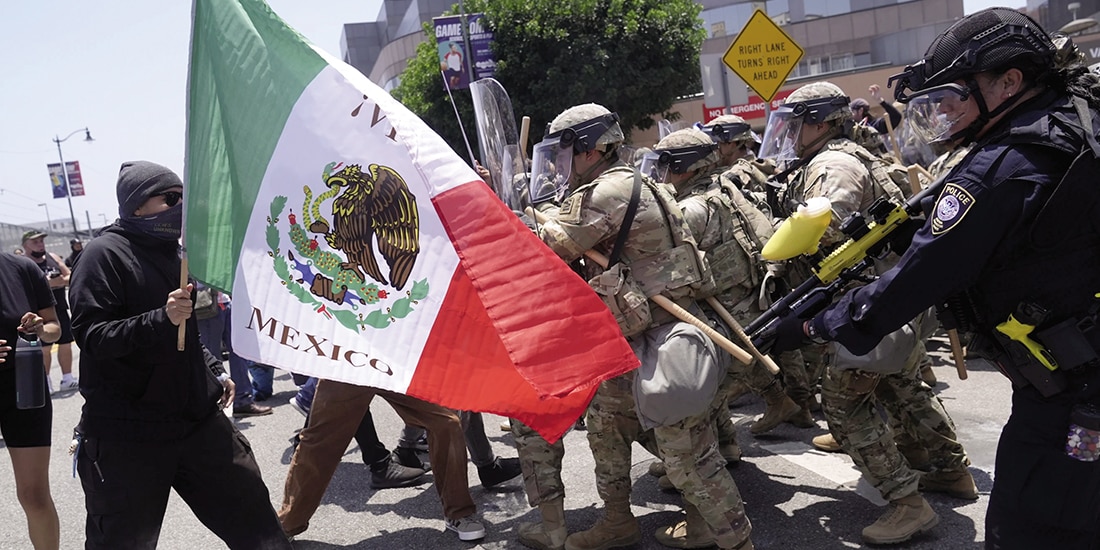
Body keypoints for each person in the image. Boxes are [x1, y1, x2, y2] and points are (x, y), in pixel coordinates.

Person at [771, 8, 1100, 548]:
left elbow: (915, 281)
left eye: (953, 96)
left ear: (1009, 81)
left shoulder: (1003, 166)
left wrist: (813, 326)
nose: (943, 111)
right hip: (1080, 372)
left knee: (1033, 525)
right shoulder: (1075, 124)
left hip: (1072, 398)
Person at [760, 81, 975, 545]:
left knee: (843, 406)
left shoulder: (833, 165)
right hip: (890, 299)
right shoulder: (848, 156)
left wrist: (776, 240)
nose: (791, 135)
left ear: (821, 123)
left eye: (797, 125)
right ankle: (950, 470)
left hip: (866, 305)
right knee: (904, 388)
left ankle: (908, 505)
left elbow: (825, 230)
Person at [533, 103, 752, 550]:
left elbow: (552, 247)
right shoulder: (632, 181)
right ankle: (617, 521)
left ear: (591, 150)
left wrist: (526, 213)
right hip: (640, 334)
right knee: (606, 423)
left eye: (564, 153)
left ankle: (735, 540)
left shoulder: (608, 192)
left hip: (664, 340)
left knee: (689, 457)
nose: (558, 165)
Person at [68, 160, 291, 549]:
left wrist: (213, 369)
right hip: (128, 436)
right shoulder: (103, 255)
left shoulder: (178, 253)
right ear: (137, 204)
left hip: (197, 423)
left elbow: (187, 334)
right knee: (123, 542)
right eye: (170, 199)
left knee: (258, 526)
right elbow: (92, 336)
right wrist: (161, 317)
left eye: (183, 198)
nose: (181, 207)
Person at [278, 378, 487, 542]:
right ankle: (287, 524)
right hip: (349, 361)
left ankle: (458, 512)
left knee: (445, 423)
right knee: (319, 442)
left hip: (392, 360)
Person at [0, 251, 62, 549]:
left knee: (34, 495)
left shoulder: (22, 268)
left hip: (24, 386)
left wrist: (40, 328)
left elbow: (54, 328)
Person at [193, 285, 273, 417]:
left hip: (225, 302)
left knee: (239, 351)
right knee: (211, 359)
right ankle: (214, 405)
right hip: (207, 303)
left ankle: (242, 401)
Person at [20, 231, 77, 394]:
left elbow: (70, 276)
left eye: (41, 241)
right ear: (25, 245)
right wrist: (49, 284)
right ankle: (46, 381)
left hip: (59, 307)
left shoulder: (52, 257)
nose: (40, 244)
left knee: (65, 342)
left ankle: (67, 378)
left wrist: (58, 281)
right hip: (38, 312)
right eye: (35, 242)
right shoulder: (24, 262)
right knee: (45, 347)